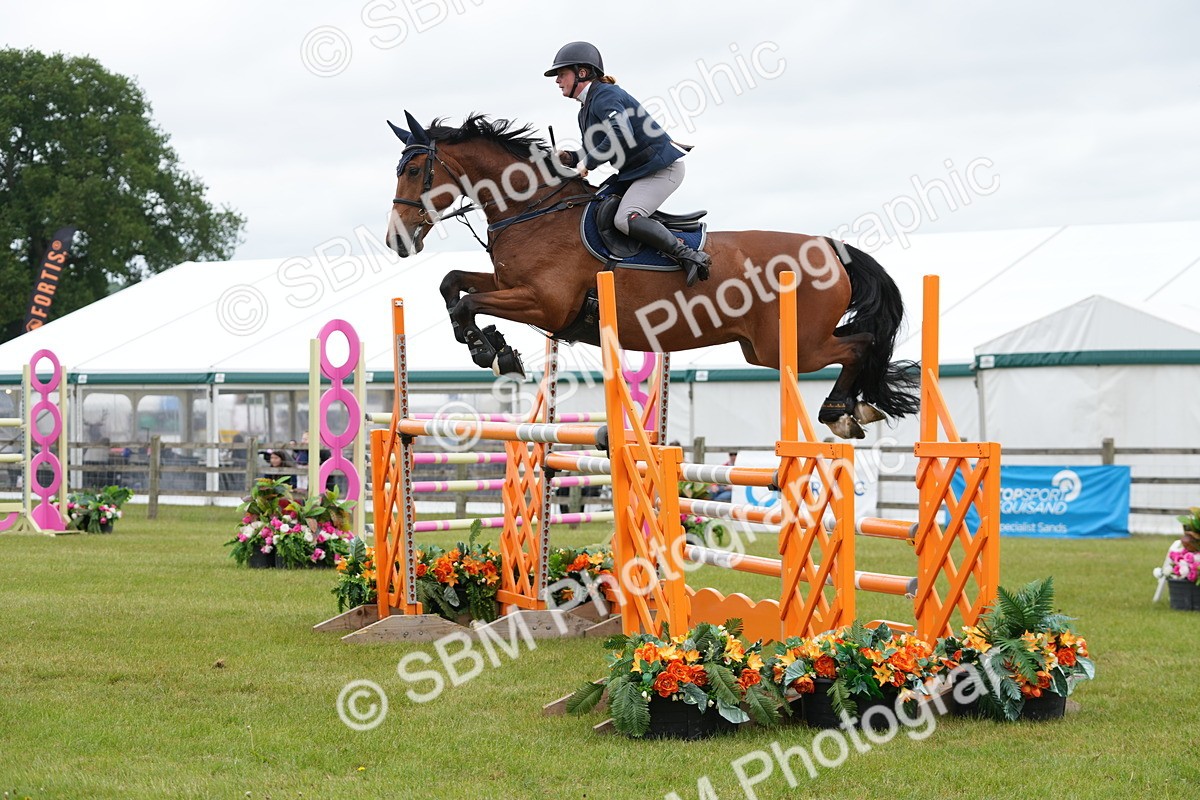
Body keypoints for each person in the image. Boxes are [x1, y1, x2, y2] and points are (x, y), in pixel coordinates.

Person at [546, 41, 711, 286]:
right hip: (637, 172)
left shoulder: (606, 95)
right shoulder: (586, 109)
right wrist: (569, 158)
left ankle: (689, 256)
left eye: (561, 74)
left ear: (582, 73)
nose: (557, 80)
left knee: (624, 219)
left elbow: (620, 134)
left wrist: (588, 163)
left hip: (661, 170)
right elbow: (592, 148)